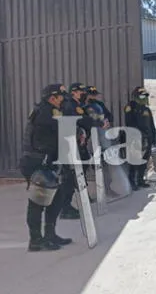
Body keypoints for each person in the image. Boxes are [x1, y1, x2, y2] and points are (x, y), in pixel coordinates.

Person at [20, 84, 72, 252]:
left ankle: (50, 234)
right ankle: (35, 240)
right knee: (38, 200)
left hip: (48, 161)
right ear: (52, 98)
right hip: (37, 161)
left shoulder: (51, 111)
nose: (63, 100)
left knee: (57, 198)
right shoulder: (45, 112)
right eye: (61, 97)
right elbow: (57, 131)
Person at [58, 82, 94, 219]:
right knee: (69, 177)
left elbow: (86, 120)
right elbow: (72, 123)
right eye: (81, 92)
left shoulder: (77, 105)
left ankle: (81, 199)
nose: (83, 94)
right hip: (71, 145)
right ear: (74, 92)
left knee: (77, 174)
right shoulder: (69, 105)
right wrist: (80, 131)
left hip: (79, 145)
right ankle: (65, 208)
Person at [124, 86, 155, 190]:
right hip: (135, 138)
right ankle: (132, 181)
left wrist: (153, 138)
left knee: (144, 160)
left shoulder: (147, 110)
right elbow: (129, 123)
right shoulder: (130, 108)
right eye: (142, 96)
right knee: (134, 160)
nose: (144, 98)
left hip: (147, 138)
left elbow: (151, 125)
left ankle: (141, 180)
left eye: (145, 96)